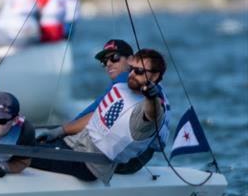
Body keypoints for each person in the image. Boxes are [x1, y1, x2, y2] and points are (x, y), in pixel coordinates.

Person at [31, 48, 170, 183]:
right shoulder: (121, 87)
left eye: (139, 71)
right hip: (73, 144)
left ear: (155, 76)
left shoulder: (149, 108)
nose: (132, 74)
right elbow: (95, 116)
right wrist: (60, 131)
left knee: (20, 154)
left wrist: (151, 97)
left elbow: (152, 115)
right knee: (25, 142)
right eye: (131, 69)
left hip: (89, 163)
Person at [72, 39, 134, 120]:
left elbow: (94, 109)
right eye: (104, 61)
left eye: (114, 57)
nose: (108, 64)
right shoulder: (145, 78)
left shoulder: (123, 79)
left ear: (130, 60)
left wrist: (64, 129)